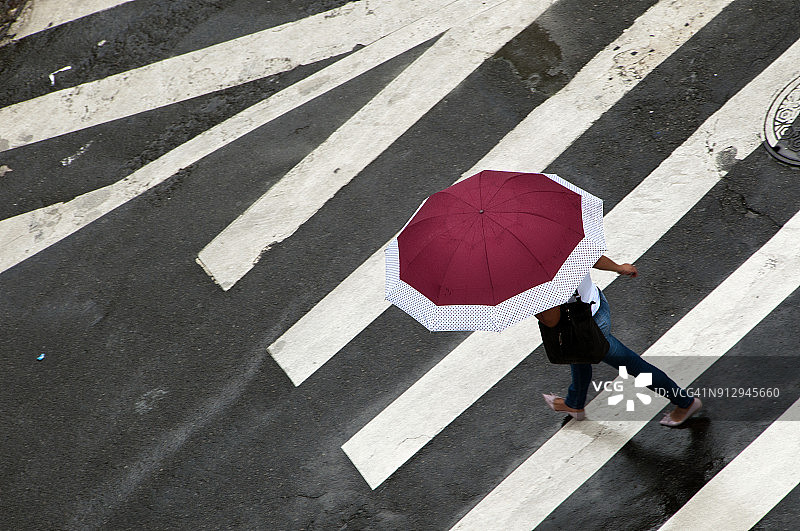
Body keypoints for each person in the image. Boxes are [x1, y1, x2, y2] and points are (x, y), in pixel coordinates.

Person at [536, 256, 702, 427]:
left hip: (587, 327)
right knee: (578, 356)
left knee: (632, 364)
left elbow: (551, 320)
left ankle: (684, 402)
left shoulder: (538, 275)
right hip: (597, 305)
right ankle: (574, 403)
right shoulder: (561, 242)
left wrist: (534, 307)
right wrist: (618, 267)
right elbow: (589, 256)